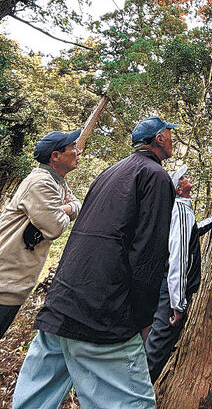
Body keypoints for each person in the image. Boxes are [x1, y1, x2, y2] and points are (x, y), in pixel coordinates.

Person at [13, 116, 177, 409]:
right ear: (159, 139)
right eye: (169, 133)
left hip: (61, 306)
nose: (173, 139)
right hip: (102, 317)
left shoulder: (109, 172)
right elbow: (148, 255)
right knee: (132, 403)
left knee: (33, 401)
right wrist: (142, 318)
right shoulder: (154, 176)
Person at [145, 165, 212, 383]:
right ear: (179, 189)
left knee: (158, 343)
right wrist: (177, 304)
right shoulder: (179, 210)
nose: (188, 178)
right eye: (183, 178)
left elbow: (190, 233)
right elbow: (179, 259)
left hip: (170, 290)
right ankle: (134, 398)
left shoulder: (182, 209)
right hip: (171, 292)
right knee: (157, 347)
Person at [0, 129, 82, 339]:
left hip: (15, 284)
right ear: (55, 156)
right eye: (72, 147)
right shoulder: (41, 182)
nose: (78, 151)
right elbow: (55, 227)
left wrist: (66, 208)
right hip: (4, 281)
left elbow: (77, 205)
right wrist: (65, 210)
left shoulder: (58, 182)